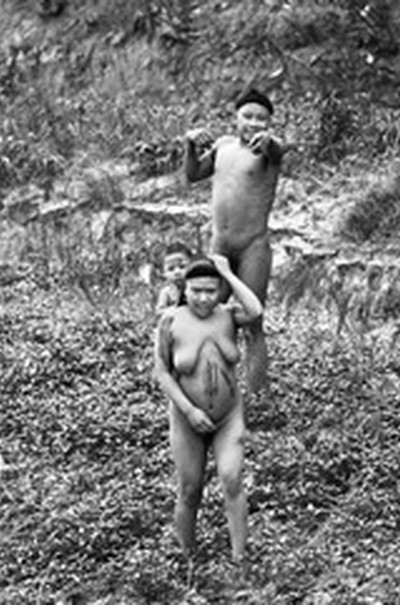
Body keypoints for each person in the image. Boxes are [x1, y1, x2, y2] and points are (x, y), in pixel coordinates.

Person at [152, 255, 263, 570]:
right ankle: (186, 559)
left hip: (229, 416)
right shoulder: (170, 320)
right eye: (196, 290)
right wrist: (189, 411)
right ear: (184, 289)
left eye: (211, 291)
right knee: (190, 489)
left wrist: (228, 273)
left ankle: (240, 560)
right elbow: (162, 373)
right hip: (187, 418)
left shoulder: (228, 315)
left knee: (232, 479)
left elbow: (255, 310)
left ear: (220, 292)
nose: (203, 298)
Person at [183, 88, 283, 394]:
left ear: (269, 123)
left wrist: (269, 142)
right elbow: (193, 174)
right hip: (220, 246)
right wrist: (189, 144)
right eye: (248, 116)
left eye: (261, 119)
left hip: (253, 246)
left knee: (253, 323)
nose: (254, 123)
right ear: (235, 118)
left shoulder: (269, 150)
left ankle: (258, 395)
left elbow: (277, 148)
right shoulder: (223, 146)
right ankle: (202, 386)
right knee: (205, 316)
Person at [155, 242, 193, 312]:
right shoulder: (166, 292)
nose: (177, 272)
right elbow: (159, 312)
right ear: (163, 273)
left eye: (182, 267)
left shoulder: (197, 287)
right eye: (171, 269)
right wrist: (174, 309)